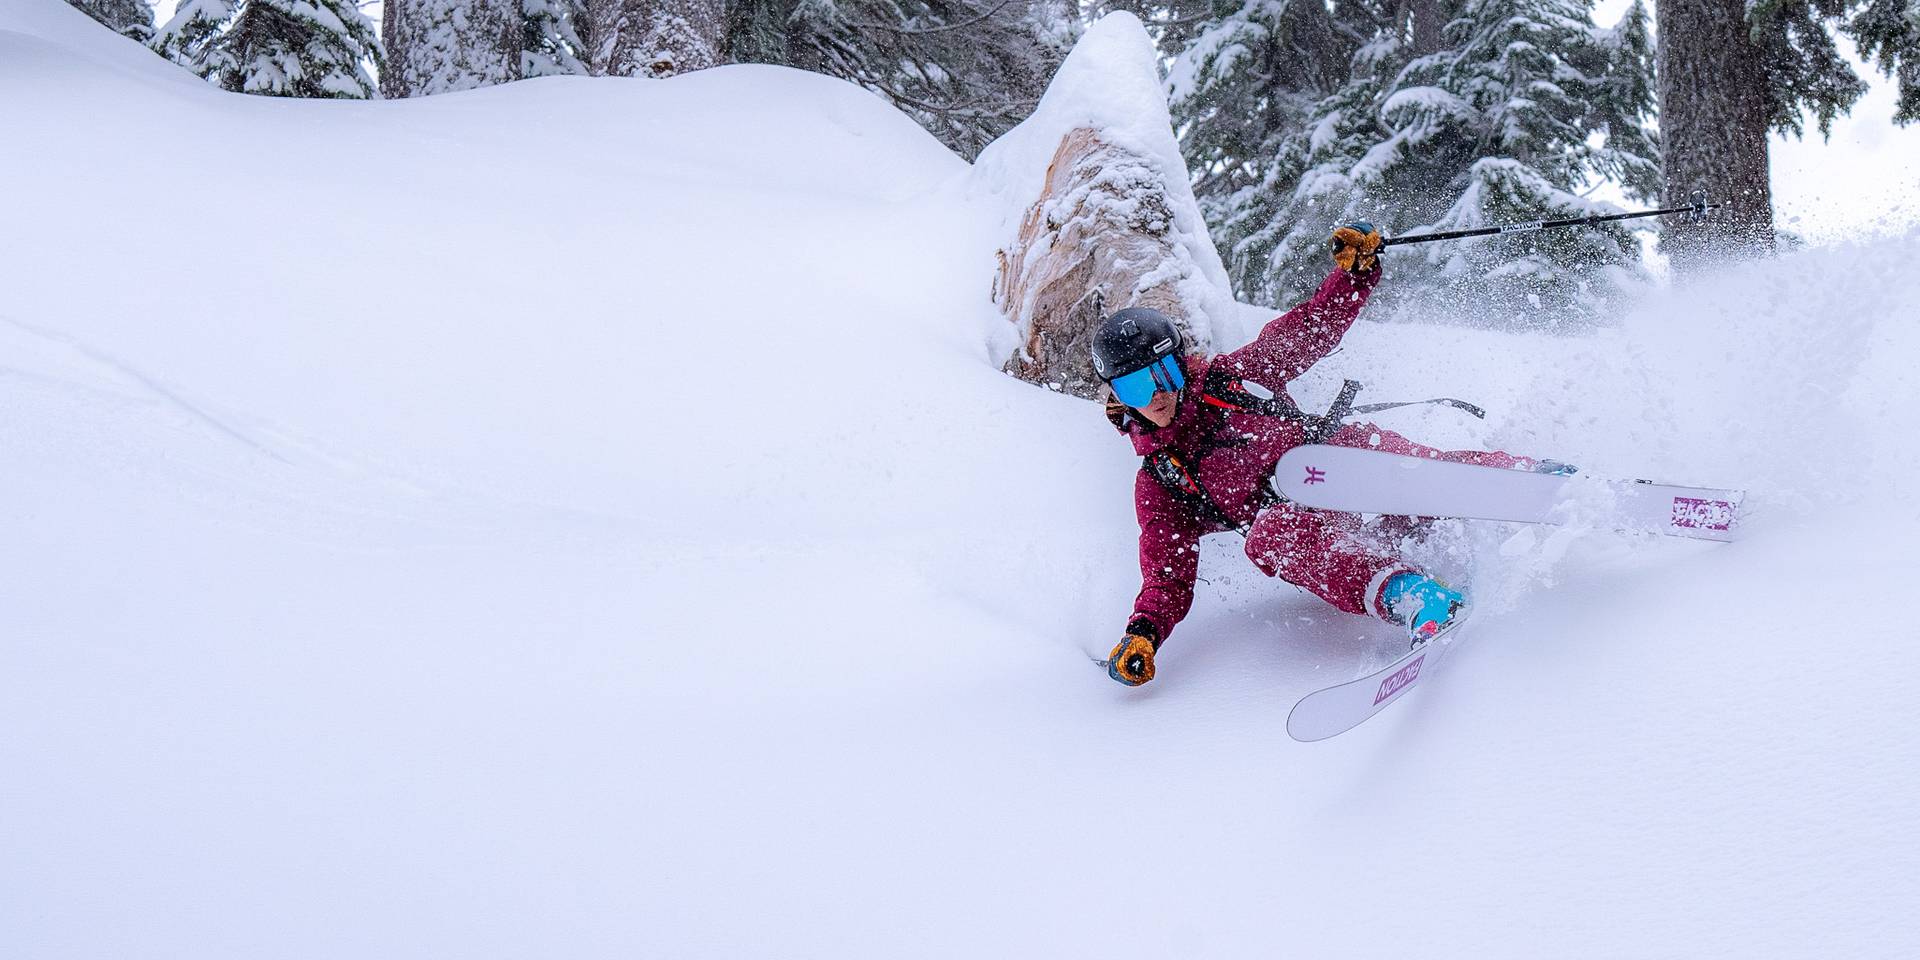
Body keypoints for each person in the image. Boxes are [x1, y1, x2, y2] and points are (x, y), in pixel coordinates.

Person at [1097, 223, 1545, 687]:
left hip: (1350, 469)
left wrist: (1355, 274)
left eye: (1162, 373)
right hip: (1333, 539)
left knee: (1382, 458)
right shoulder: (1164, 480)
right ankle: (1414, 596)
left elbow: (1310, 329)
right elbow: (1166, 572)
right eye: (1134, 386)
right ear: (1119, 396)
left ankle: (1538, 479)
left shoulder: (1230, 381)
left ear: (1178, 364)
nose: (1154, 395)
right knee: (1266, 536)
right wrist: (1143, 633)